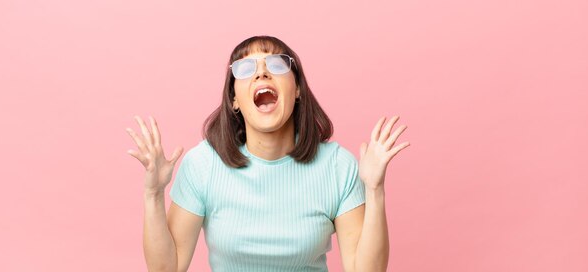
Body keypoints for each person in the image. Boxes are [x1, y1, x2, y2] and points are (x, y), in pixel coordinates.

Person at [126, 35, 410, 272]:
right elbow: (168, 268)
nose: (262, 72)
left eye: (276, 64)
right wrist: (153, 195)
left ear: (297, 89)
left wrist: (374, 190)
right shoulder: (203, 165)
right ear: (234, 99)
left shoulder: (337, 166)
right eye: (245, 68)